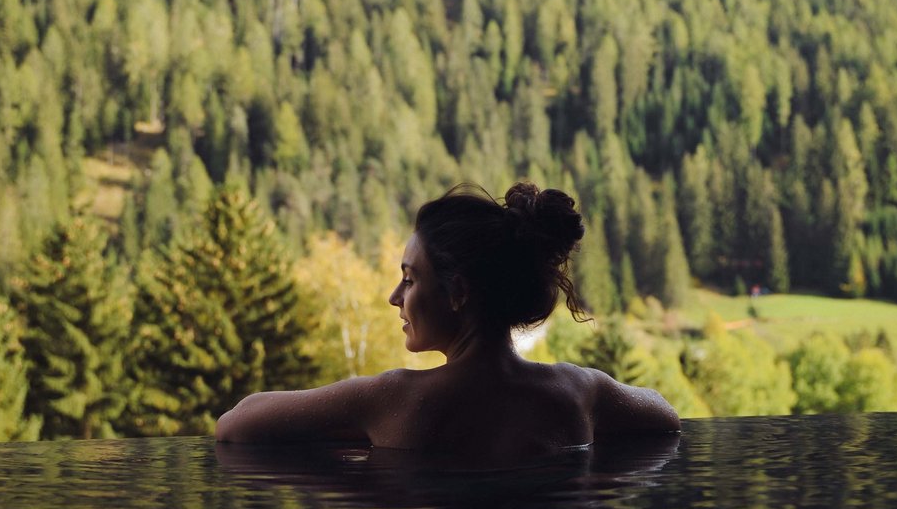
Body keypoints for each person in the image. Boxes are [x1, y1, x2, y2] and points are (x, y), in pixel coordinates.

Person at [216, 183, 680, 460]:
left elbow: (235, 424)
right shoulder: (580, 391)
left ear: (458, 293)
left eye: (410, 280)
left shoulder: (393, 398)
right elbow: (664, 416)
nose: (394, 297)